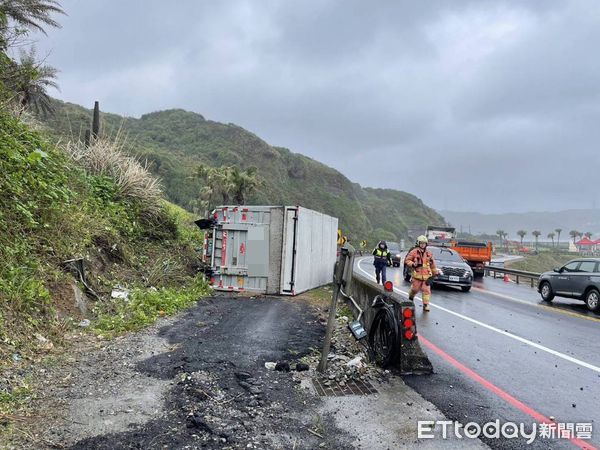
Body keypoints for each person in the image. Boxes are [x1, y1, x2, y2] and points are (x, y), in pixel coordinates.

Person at [404, 235, 441, 312]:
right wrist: (413, 264)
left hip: (427, 276)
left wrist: (435, 273)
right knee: (415, 289)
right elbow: (407, 260)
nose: (422, 245)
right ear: (418, 243)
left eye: (424, 243)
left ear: (426, 244)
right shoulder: (414, 252)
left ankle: (426, 304)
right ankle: (411, 297)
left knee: (426, 290)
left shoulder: (429, 254)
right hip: (417, 275)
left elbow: (433, 265)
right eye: (421, 243)